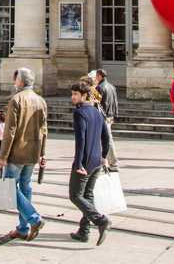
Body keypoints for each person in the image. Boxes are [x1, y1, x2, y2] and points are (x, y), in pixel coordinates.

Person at [0, 67, 48, 242]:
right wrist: (42, 153)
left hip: (17, 152)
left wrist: (3, 155)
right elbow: (44, 130)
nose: (14, 81)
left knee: (9, 188)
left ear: (20, 81)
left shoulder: (16, 100)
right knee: (25, 188)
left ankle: (34, 219)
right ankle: (23, 228)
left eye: (16, 78)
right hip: (33, 152)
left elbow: (9, 130)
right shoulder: (41, 101)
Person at [67, 81, 113, 245]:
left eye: (76, 94)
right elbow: (106, 138)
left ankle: (101, 221)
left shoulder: (79, 113)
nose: (73, 97)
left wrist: (79, 164)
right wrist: (104, 156)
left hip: (85, 162)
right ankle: (84, 232)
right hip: (97, 161)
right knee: (87, 196)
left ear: (85, 95)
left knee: (75, 195)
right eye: (72, 94)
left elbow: (81, 140)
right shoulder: (97, 111)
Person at [94, 69, 119, 171]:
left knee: (107, 140)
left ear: (100, 76)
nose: (95, 78)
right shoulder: (112, 86)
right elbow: (116, 102)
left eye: (96, 76)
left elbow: (96, 104)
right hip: (110, 116)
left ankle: (113, 163)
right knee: (106, 139)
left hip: (103, 117)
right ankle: (104, 162)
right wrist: (114, 115)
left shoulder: (99, 88)